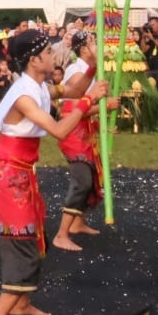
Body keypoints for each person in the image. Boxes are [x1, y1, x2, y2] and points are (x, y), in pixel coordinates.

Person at [0, 30, 109, 315]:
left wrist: (90, 69)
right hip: (10, 177)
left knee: (34, 237)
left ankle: (21, 303)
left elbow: (70, 91)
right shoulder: (24, 94)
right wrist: (92, 101)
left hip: (22, 173)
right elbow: (61, 128)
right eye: (49, 52)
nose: (54, 57)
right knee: (22, 245)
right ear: (35, 60)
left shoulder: (37, 87)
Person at [51, 31, 105, 252]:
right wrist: (103, 104)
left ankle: (77, 223)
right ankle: (61, 234)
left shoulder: (89, 69)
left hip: (86, 131)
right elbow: (74, 105)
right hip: (73, 132)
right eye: (94, 43)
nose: (98, 46)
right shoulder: (75, 70)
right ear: (83, 49)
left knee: (90, 177)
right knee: (81, 179)